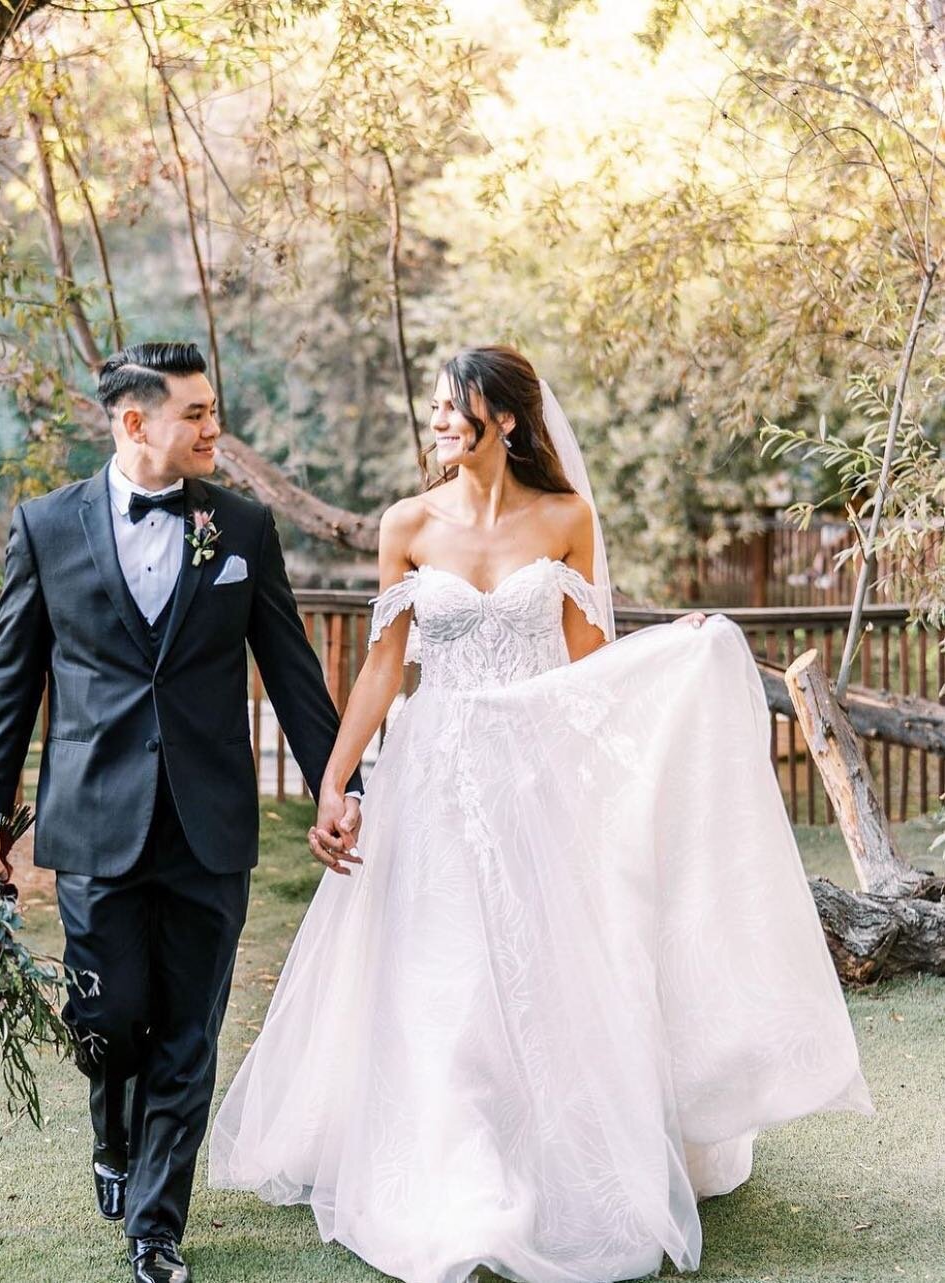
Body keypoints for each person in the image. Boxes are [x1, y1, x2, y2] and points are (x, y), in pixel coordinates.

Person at [208, 345, 873, 1283]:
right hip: (433, 773)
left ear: (506, 418)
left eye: (452, 407)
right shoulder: (406, 523)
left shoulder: (567, 519)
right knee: (443, 972)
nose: (437, 421)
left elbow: (588, 665)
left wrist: (670, 652)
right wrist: (335, 780)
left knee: (542, 962)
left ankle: (545, 1156)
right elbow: (383, 666)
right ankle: (458, 1175)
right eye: (434, 408)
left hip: (534, 776)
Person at [0, 341, 362, 1283]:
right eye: (195, 413)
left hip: (209, 821)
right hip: (94, 820)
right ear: (134, 422)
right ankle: (112, 1133)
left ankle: (155, 1223)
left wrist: (339, 783)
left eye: (213, 408)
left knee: (190, 1023)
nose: (213, 427)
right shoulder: (46, 526)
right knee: (112, 1017)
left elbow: (293, 673)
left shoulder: (242, 528)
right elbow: (11, 681)